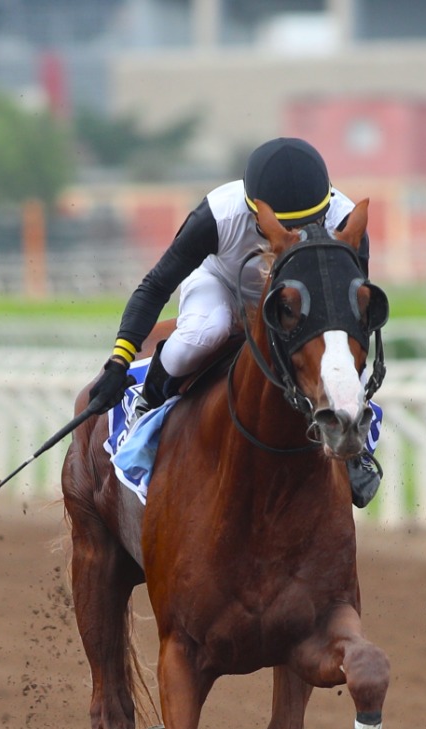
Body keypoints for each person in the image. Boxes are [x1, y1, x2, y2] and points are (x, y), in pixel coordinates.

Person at [85, 136, 381, 504]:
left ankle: (355, 449)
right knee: (202, 335)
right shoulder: (217, 215)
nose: (297, 237)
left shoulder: (346, 220)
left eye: (309, 224)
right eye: (285, 228)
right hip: (222, 284)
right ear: (254, 212)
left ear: (328, 207)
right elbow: (156, 285)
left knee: (341, 355)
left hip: (300, 302)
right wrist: (119, 360)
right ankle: (146, 409)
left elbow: (350, 312)